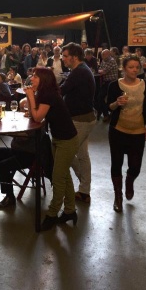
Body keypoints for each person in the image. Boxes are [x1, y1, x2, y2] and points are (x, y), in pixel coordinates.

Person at [23, 67, 80, 231]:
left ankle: (53, 214)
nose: (31, 78)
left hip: (67, 140)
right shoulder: (45, 93)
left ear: (43, 79)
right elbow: (36, 114)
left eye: (34, 76)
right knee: (64, 176)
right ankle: (70, 210)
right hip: (59, 138)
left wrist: (30, 97)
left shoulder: (47, 94)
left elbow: (38, 116)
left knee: (57, 178)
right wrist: (32, 100)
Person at [106, 56, 146, 212]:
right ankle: (117, 196)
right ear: (124, 69)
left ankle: (130, 180)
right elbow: (108, 107)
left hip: (138, 131)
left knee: (135, 166)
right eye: (131, 67)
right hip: (118, 130)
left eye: (136, 67)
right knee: (116, 163)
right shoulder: (115, 85)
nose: (134, 70)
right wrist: (116, 103)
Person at [60, 43, 97, 205]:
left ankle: (83, 184)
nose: (63, 59)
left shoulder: (79, 72)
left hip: (81, 120)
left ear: (74, 57)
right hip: (86, 118)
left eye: (65, 56)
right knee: (82, 155)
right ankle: (84, 190)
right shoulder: (81, 70)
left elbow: (62, 90)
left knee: (65, 154)